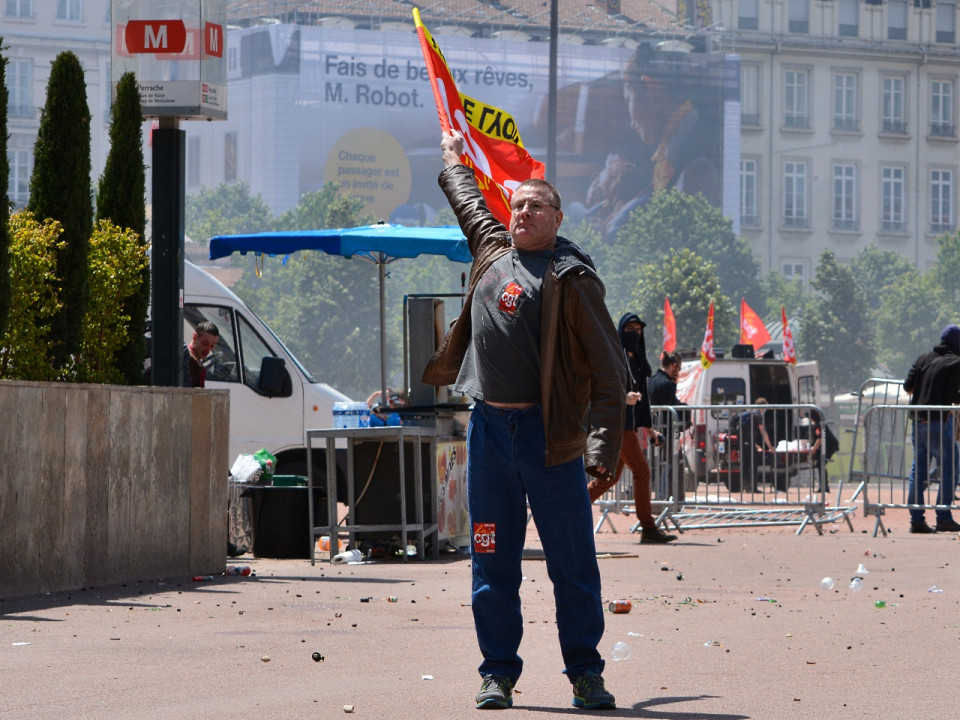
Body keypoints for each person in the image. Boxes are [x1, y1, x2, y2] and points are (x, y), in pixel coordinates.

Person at [423, 129, 626, 711]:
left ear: (558, 217)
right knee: (489, 560)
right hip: (488, 435)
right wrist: (451, 157)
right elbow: (467, 201)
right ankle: (497, 674)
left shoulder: (571, 279)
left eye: (536, 205)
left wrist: (600, 452)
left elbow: (611, 374)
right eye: (516, 204)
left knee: (572, 567)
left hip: (550, 441)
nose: (523, 212)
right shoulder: (490, 251)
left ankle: (586, 674)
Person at [587, 313, 676, 544]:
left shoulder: (638, 360)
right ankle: (648, 527)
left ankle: (566, 512)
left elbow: (643, 399)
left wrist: (649, 429)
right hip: (616, 424)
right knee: (642, 471)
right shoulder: (613, 355)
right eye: (630, 329)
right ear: (621, 330)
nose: (634, 334)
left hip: (628, 425)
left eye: (638, 330)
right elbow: (601, 386)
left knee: (609, 478)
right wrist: (622, 397)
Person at [903, 324, 960, 534]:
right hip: (938, 423)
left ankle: (916, 520)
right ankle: (943, 516)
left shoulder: (923, 358)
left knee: (919, 469)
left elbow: (907, 386)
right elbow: (954, 396)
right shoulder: (955, 362)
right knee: (950, 466)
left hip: (918, 422)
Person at [647, 351, 688, 499]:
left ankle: (658, 498)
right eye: (679, 368)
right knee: (677, 463)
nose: (679, 371)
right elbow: (671, 412)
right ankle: (677, 500)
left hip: (651, 431)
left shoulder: (651, 380)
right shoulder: (667, 384)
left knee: (654, 466)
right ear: (673, 366)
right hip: (667, 433)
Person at [734, 398, 776, 492]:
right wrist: (770, 446)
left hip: (741, 442)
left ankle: (746, 487)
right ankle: (753, 488)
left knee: (744, 465)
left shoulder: (748, 413)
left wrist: (755, 444)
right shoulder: (757, 416)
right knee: (753, 464)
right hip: (748, 443)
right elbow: (763, 432)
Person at [182, 321, 219, 388]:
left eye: (212, 346)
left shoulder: (196, 363)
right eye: (205, 343)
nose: (208, 350)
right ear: (195, 337)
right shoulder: (189, 361)